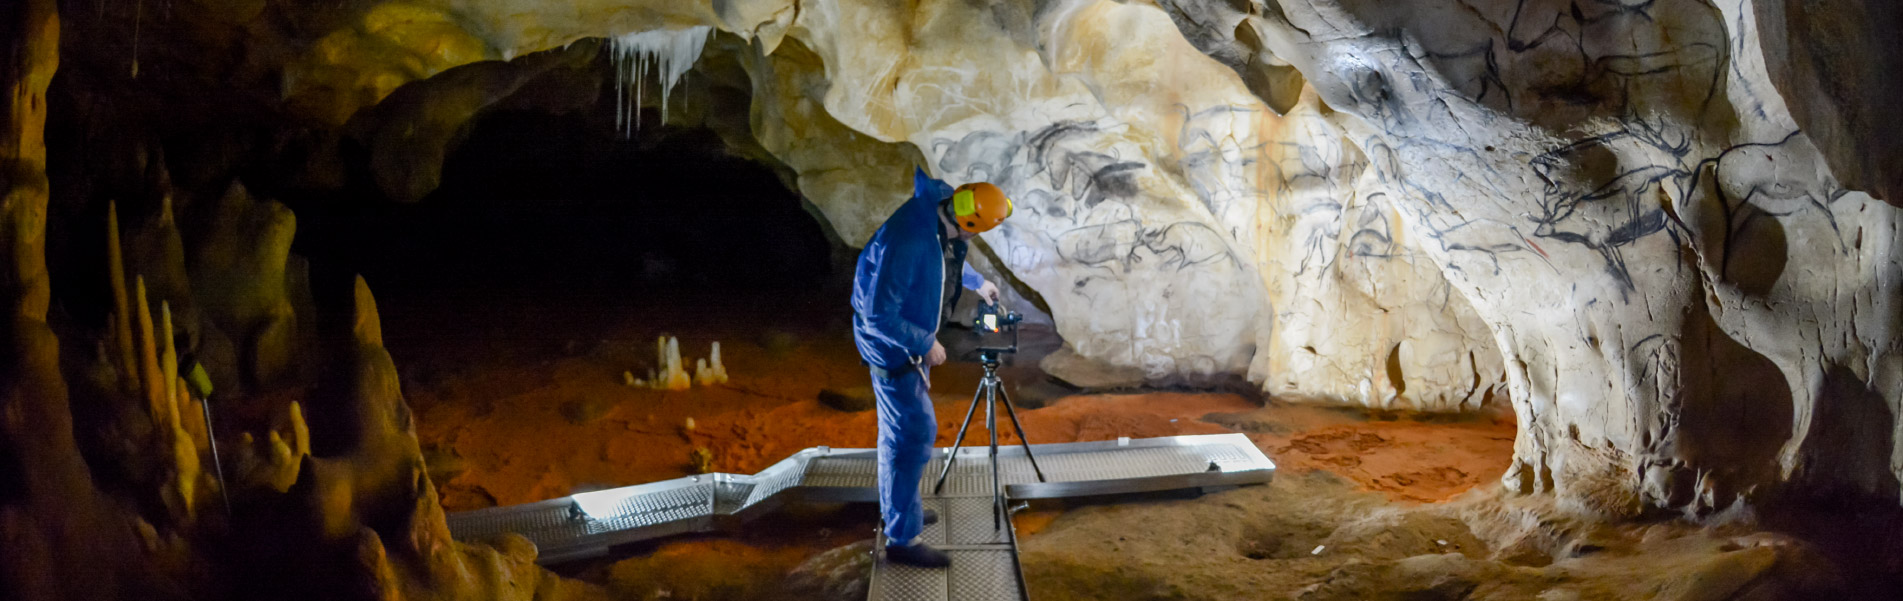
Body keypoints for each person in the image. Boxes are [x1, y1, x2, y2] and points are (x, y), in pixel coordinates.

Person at [850, 167, 1012, 568]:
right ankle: (902, 539)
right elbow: (878, 316)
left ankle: (900, 509)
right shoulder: (911, 239)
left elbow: (945, 260)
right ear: (969, 225)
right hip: (893, 350)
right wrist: (926, 343)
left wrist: (976, 282)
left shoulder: (938, 207)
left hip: (904, 342)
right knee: (913, 435)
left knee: (898, 436)